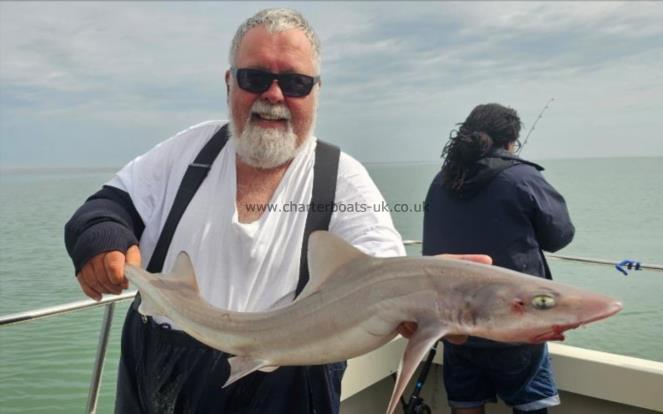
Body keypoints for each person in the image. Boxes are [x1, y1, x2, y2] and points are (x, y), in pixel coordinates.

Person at [64, 8, 410, 414]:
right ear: (230, 83)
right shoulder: (188, 153)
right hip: (158, 371)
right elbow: (107, 206)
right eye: (255, 78)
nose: (274, 95)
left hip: (287, 388)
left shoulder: (342, 180)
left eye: (295, 83)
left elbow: (387, 273)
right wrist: (101, 240)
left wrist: (437, 295)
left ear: (316, 91)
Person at [422, 103, 575, 414]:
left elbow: (432, 254)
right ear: (510, 142)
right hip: (514, 323)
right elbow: (559, 237)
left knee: (465, 405)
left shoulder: (440, 183)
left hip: (459, 323)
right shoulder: (522, 177)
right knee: (530, 404)